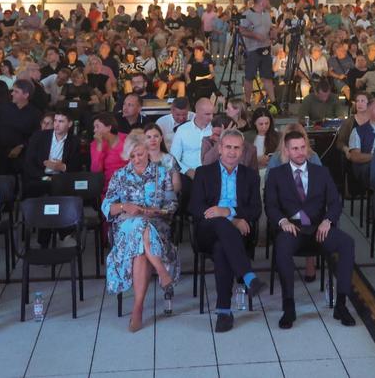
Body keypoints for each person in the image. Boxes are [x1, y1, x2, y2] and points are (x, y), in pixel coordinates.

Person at [265, 130, 357, 329]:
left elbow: (335, 203)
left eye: (302, 147)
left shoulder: (321, 172)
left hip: (318, 228)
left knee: (347, 243)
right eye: (295, 148)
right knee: (282, 248)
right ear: (287, 151)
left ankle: (341, 304)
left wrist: (328, 221)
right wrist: (282, 222)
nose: (299, 152)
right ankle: (288, 306)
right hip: (292, 228)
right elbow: (270, 206)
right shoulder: (276, 174)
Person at [102, 130, 180, 331]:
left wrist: (153, 211)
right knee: (137, 224)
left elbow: (172, 205)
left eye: (140, 154)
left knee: (141, 244)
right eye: (132, 156)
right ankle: (162, 271)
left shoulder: (161, 173)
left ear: (148, 151)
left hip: (156, 227)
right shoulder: (119, 176)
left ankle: (137, 308)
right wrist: (123, 207)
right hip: (125, 229)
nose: (137, 159)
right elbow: (106, 207)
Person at [189, 129, 266, 333]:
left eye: (236, 148)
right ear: (220, 148)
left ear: (242, 151)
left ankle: (224, 312)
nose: (232, 152)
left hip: (238, 236)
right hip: (206, 231)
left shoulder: (250, 176)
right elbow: (195, 207)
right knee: (221, 225)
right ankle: (248, 276)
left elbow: (256, 210)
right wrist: (231, 218)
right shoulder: (203, 172)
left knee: (222, 248)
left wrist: (227, 211)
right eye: (228, 147)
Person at [22, 111, 84, 196]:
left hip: (61, 179)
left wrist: (62, 167)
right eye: (55, 121)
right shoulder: (39, 136)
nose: (57, 125)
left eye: (61, 121)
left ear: (69, 124)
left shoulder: (74, 141)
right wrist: (46, 178)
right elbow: (29, 162)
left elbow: (76, 166)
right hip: (39, 177)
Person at [238, 0, 279, 106]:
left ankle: (273, 102)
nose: (268, 1)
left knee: (267, 77)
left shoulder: (266, 14)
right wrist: (255, 35)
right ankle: (247, 102)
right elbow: (241, 30)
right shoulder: (248, 14)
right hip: (253, 50)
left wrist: (273, 32)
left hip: (266, 48)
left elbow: (269, 27)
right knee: (249, 77)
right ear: (261, 1)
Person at [90, 112, 127, 200]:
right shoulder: (94, 144)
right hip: (108, 187)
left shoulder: (126, 139)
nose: (94, 130)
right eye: (94, 127)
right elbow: (95, 171)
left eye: (97, 126)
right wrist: (99, 146)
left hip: (128, 184)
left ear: (109, 127)